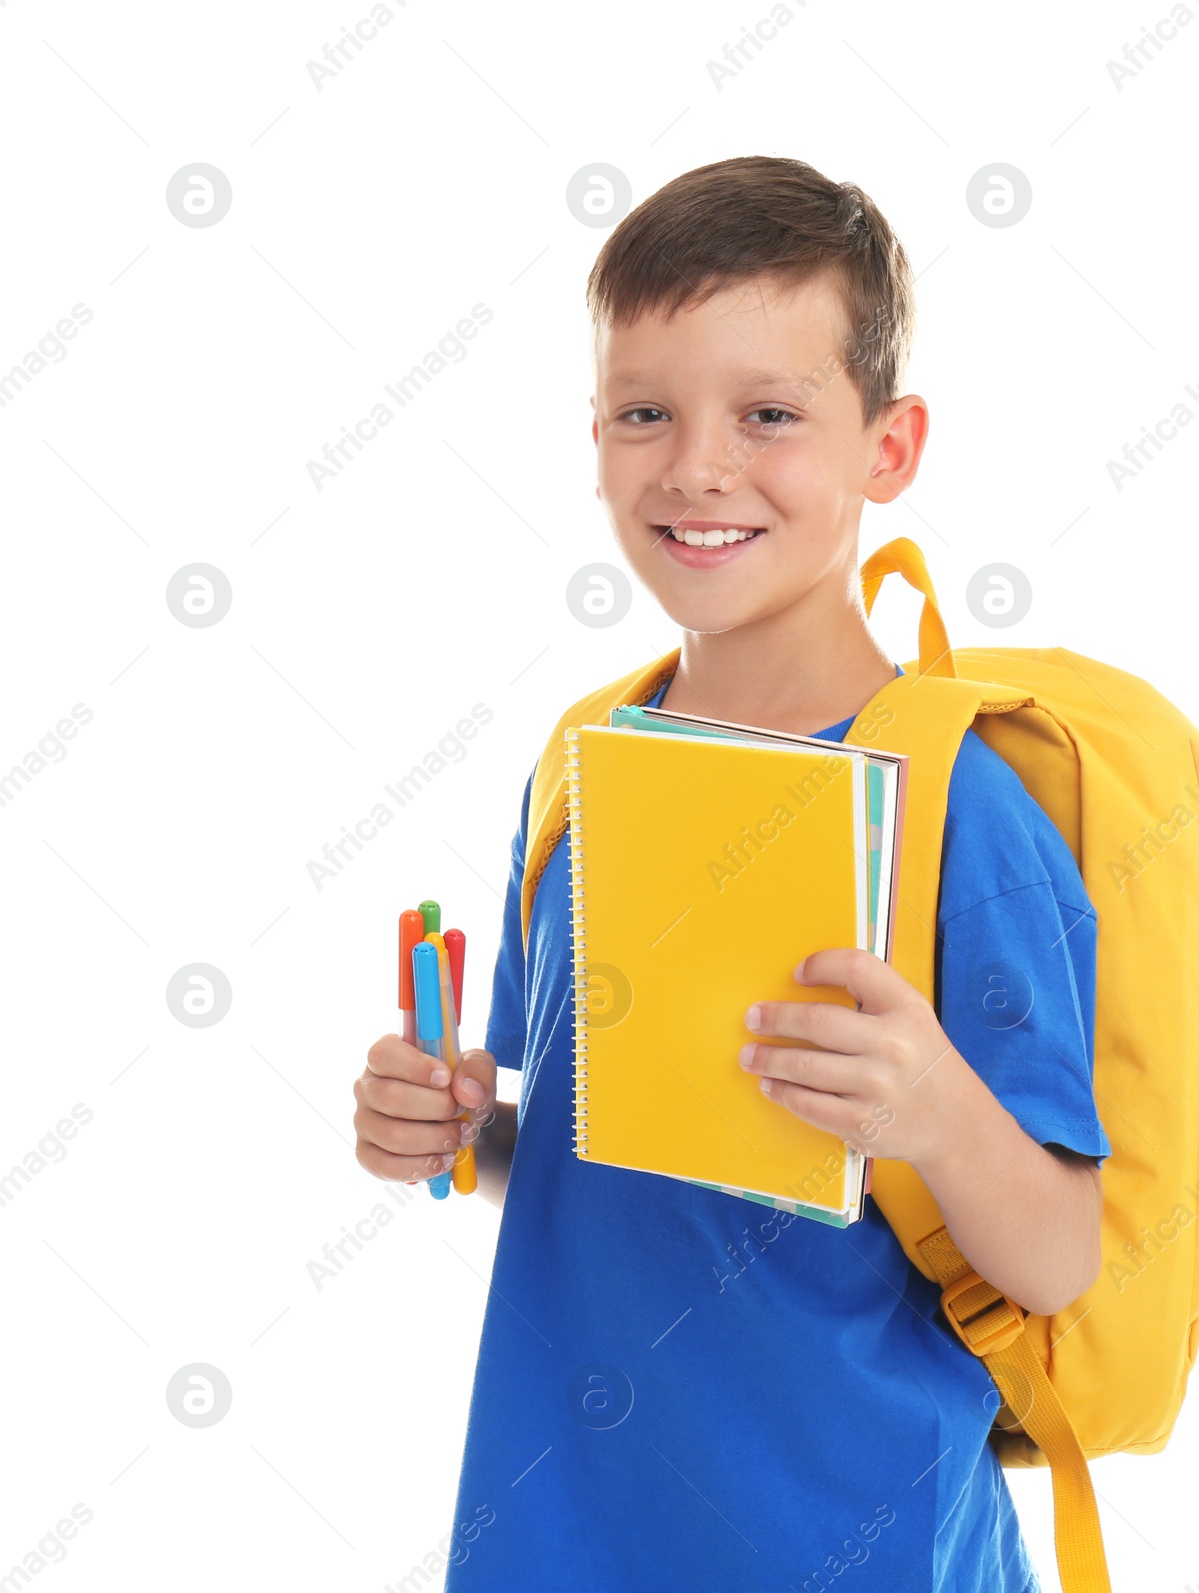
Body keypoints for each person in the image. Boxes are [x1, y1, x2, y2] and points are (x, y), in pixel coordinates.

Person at [353, 154, 1111, 1592]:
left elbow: (1065, 1257)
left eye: (769, 414)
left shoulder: (964, 810)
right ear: (594, 439)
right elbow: (589, 1152)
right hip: (571, 1528)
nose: (697, 466)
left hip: (865, 1545)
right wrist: (452, 1127)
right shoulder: (586, 767)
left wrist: (937, 1109)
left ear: (889, 450)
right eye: (647, 413)